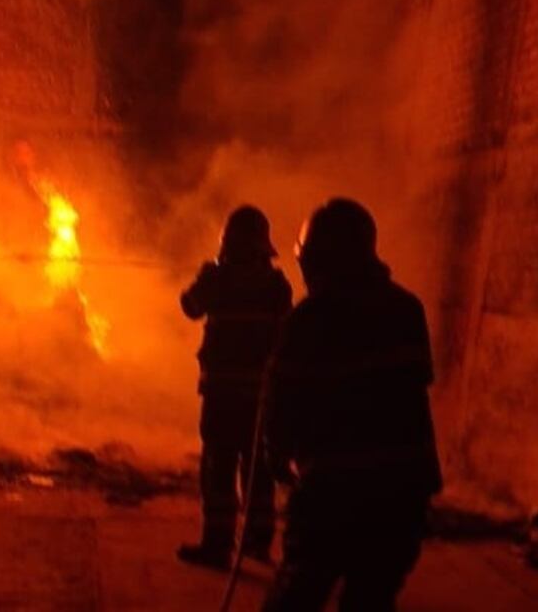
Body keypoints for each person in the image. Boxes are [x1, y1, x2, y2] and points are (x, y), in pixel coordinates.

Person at [262, 198, 442, 611]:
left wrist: (278, 460)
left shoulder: (307, 320)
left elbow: (280, 403)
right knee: (372, 599)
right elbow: (416, 383)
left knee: (297, 594)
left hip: (332, 494)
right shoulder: (406, 308)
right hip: (403, 495)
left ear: (318, 259)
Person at [178, 205, 292, 570]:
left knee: (218, 469)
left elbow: (190, 307)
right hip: (262, 396)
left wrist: (203, 275)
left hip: (222, 396)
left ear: (227, 243)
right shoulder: (277, 284)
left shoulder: (215, 279)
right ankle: (257, 542)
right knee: (258, 470)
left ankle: (218, 544)